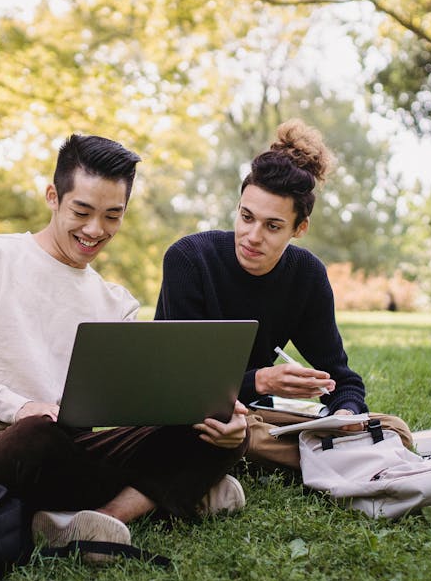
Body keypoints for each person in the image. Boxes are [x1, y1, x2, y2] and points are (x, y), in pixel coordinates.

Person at [0, 134, 248, 552]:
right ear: (53, 196)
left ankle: (99, 520)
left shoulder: (117, 303)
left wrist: (207, 413)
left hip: (74, 453)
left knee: (223, 429)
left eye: (112, 216)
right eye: (82, 211)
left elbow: (128, 407)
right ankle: (171, 493)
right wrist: (19, 408)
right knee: (36, 436)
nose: (95, 230)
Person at [155, 120, 411, 471]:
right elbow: (182, 386)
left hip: (253, 418)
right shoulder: (189, 259)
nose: (252, 236)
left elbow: (342, 380)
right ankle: (342, 454)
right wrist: (261, 380)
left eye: (272, 226)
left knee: (395, 429)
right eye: (246, 217)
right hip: (191, 416)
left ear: (299, 228)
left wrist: (345, 415)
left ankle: (333, 447)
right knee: (229, 431)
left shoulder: (306, 275)